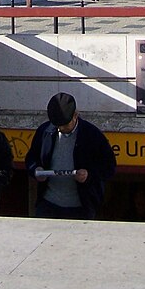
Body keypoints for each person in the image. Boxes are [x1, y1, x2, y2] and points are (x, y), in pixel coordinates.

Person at [25, 92, 116, 220]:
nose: (61, 128)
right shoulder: (45, 131)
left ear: (75, 116)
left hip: (81, 208)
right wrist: (36, 170)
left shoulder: (92, 135)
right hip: (48, 204)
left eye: (65, 124)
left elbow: (109, 167)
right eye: (58, 125)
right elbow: (31, 158)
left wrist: (88, 175)